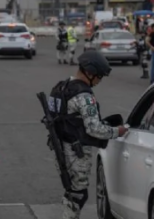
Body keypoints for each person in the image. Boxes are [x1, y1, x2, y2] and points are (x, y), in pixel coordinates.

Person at [49, 50, 128, 219]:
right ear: (90, 72)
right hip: (76, 153)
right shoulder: (84, 95)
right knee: (77, 195)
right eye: (99, 76)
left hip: (61, 150)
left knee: (72, 192)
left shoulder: (61, 87)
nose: (99, 81)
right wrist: (117, 131)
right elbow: (94, 128)